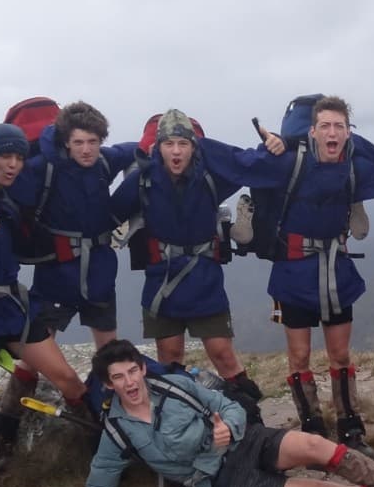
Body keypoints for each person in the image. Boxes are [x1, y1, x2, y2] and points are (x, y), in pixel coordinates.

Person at [199, 96, 374, 454]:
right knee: (299, 355)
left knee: (340, 354)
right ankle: (312, 425)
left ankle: (350, 427)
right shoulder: (288, 162)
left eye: (339, 126)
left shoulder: (354, 165)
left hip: (336, 271)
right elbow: (240, 162)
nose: (332, 133)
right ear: (312, 131)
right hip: (293, 272)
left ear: (349, 132)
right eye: (325, 126)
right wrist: (188, 143)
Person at [85, 340, 374, 487]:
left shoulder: (175, 385)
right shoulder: (117, 430)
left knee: (314, 446)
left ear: (142, 369)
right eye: (118, 377)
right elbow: (99, 486)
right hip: (225, 483)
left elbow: (228, 405)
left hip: (247, 441)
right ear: (108, 384)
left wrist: (228, 427)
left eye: (132, 371)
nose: (129, 382)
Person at [0, 102, 137, 458]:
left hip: (99, 271)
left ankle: (106, 427)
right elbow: (1, 189)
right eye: (79, 142)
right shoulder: (44, 168)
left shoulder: (105, 162)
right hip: (57, 273)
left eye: (93, 142)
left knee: (109, 353)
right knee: (34, 357)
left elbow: (139, 148)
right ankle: (5, 425)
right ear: (66, 141)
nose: (86, 150)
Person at [109, 108, 262, 414]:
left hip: (205, 277)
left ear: (194, 146)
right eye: (169, 144)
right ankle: (178, 418)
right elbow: (108, 215)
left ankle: (249, 414)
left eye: (183, 143)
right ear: (158, 147)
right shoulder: (143, 181)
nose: (176, 151)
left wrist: (274, 147)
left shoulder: (211, 177)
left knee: (222, 353)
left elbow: (250, 167)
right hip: (161, 280)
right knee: (170, 357)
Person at [0, 123, 92, 481]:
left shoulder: (9, 201)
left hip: (10, 307)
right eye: (5, 156)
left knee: (68, 380)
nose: (13, 165)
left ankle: (100, 454)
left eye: (19, 157)